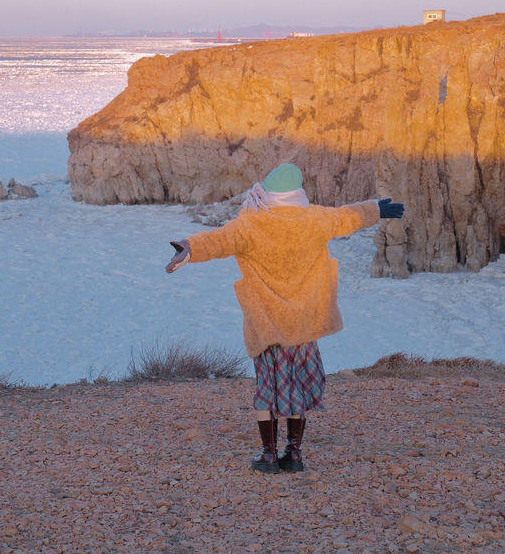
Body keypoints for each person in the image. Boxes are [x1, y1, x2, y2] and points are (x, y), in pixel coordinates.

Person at [165, 163, 404, 475]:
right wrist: (376, 208)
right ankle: (294, 453)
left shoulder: (250, 224)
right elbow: (348, 216)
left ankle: (268, 455)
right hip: (303, 324)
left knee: (268, 387)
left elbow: (219, 240)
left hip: (268, 324)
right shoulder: (316, 219)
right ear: (297, 192)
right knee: (298, 387)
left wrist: (189, 247)